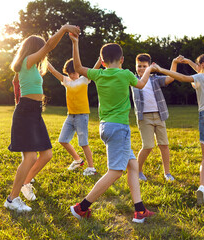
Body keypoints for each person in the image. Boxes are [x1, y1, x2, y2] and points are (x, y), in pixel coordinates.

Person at [68, 33, 156, 223]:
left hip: (106, 127)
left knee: (132, 165)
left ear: (102, 61)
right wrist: (148, 69)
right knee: (115, 172)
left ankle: (139, 210)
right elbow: (141, 84)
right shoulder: (125, 74)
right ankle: (81, 207)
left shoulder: (98, 73)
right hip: (119, 128)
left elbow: (77, 67)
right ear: (122, 60)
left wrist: (75, 43)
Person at [4, 24, 80, 212]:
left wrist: (20, 103)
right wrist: (63, 29)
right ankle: (12, 199)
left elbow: (16, 83)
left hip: (33, 112)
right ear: (33, 49)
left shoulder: (29, 66)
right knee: (29, 157)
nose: (43, 53)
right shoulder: (27, 61)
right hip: (27, 112)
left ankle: (25, 183)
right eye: (40, 49)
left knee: (46, 154)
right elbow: (48, 47)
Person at [152, 53, 204, 206]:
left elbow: (182, 78)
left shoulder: (201, 78)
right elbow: (199, 70)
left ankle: (202, 187)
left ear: (202, 65)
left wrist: (161, 69)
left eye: (198, 64)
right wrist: (190, 62)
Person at [47, 56, 101, 176]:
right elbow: (53, 71)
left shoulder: (84, 79)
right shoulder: (66, 81)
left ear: (78, 70)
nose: (72, 75)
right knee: (62, 140)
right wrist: (44, 60)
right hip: (70, 116)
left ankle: (91, 167)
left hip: (82, 116)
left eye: (74, 72)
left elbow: (94, 68)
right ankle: (78, 160)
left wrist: (100, 58)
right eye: (70, 73)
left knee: (83, 143)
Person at [131, 53, 179, 182]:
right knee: (148, 146)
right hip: (144, 118)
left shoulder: (154, 79)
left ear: (149, 67)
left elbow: (171, 78)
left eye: (144, 66)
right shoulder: (132, 80)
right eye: (139, 66)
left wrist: (174, 63)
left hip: (159, 115)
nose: (141, 68)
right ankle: (138, 171)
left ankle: (167, 173)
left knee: (164, 145)